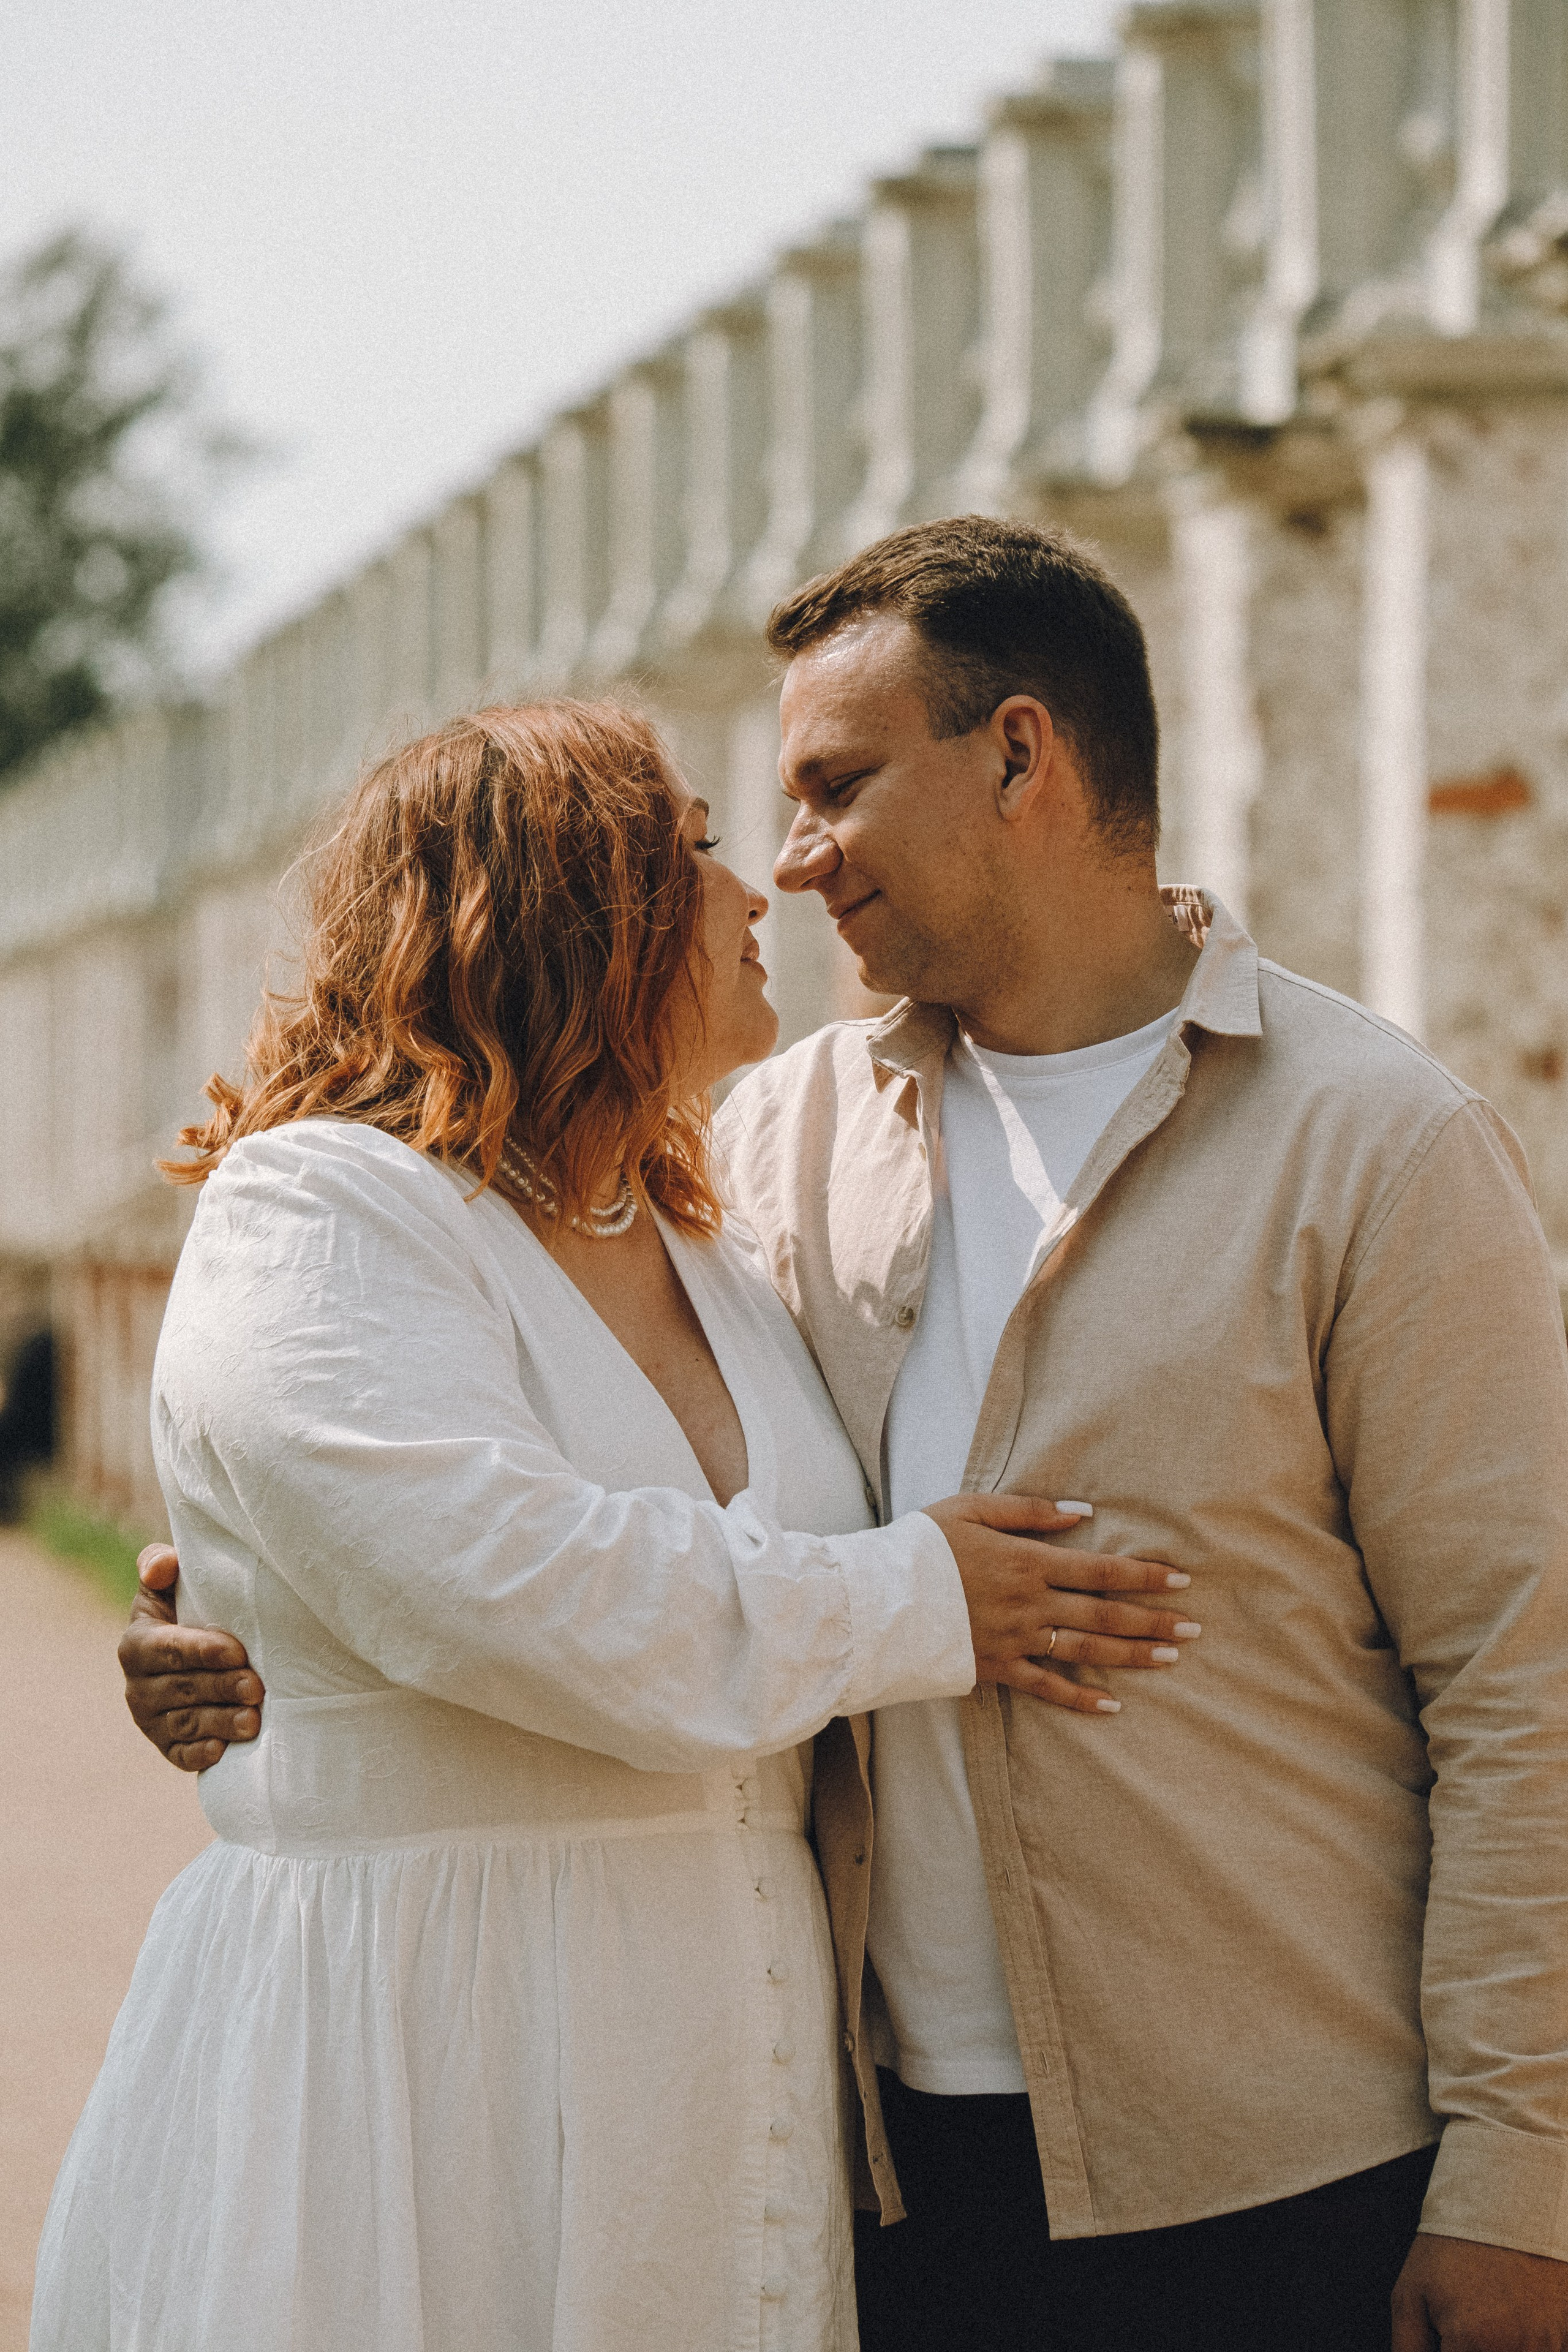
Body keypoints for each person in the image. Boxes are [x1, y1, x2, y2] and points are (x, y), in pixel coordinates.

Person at [122, 516, 1568, 2352]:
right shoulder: (751, 1153)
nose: (792, 866)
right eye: (757, 822)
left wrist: (1522, 2171)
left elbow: (1524, 1684)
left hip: (1280, 2166)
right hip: (864, 2166)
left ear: (1022, 755)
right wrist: (248, 1620)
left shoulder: (1377, 1144)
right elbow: (531, 1487)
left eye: (832, 788)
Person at [37, 697, 1201, 2352]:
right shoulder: (318, 1206)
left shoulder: (695, 1230)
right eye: (701, 853)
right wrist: (930, 1600)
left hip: (725, 2052)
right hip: (430, 2043)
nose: (760, 896)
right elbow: (512, 1583)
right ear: (565, 914)